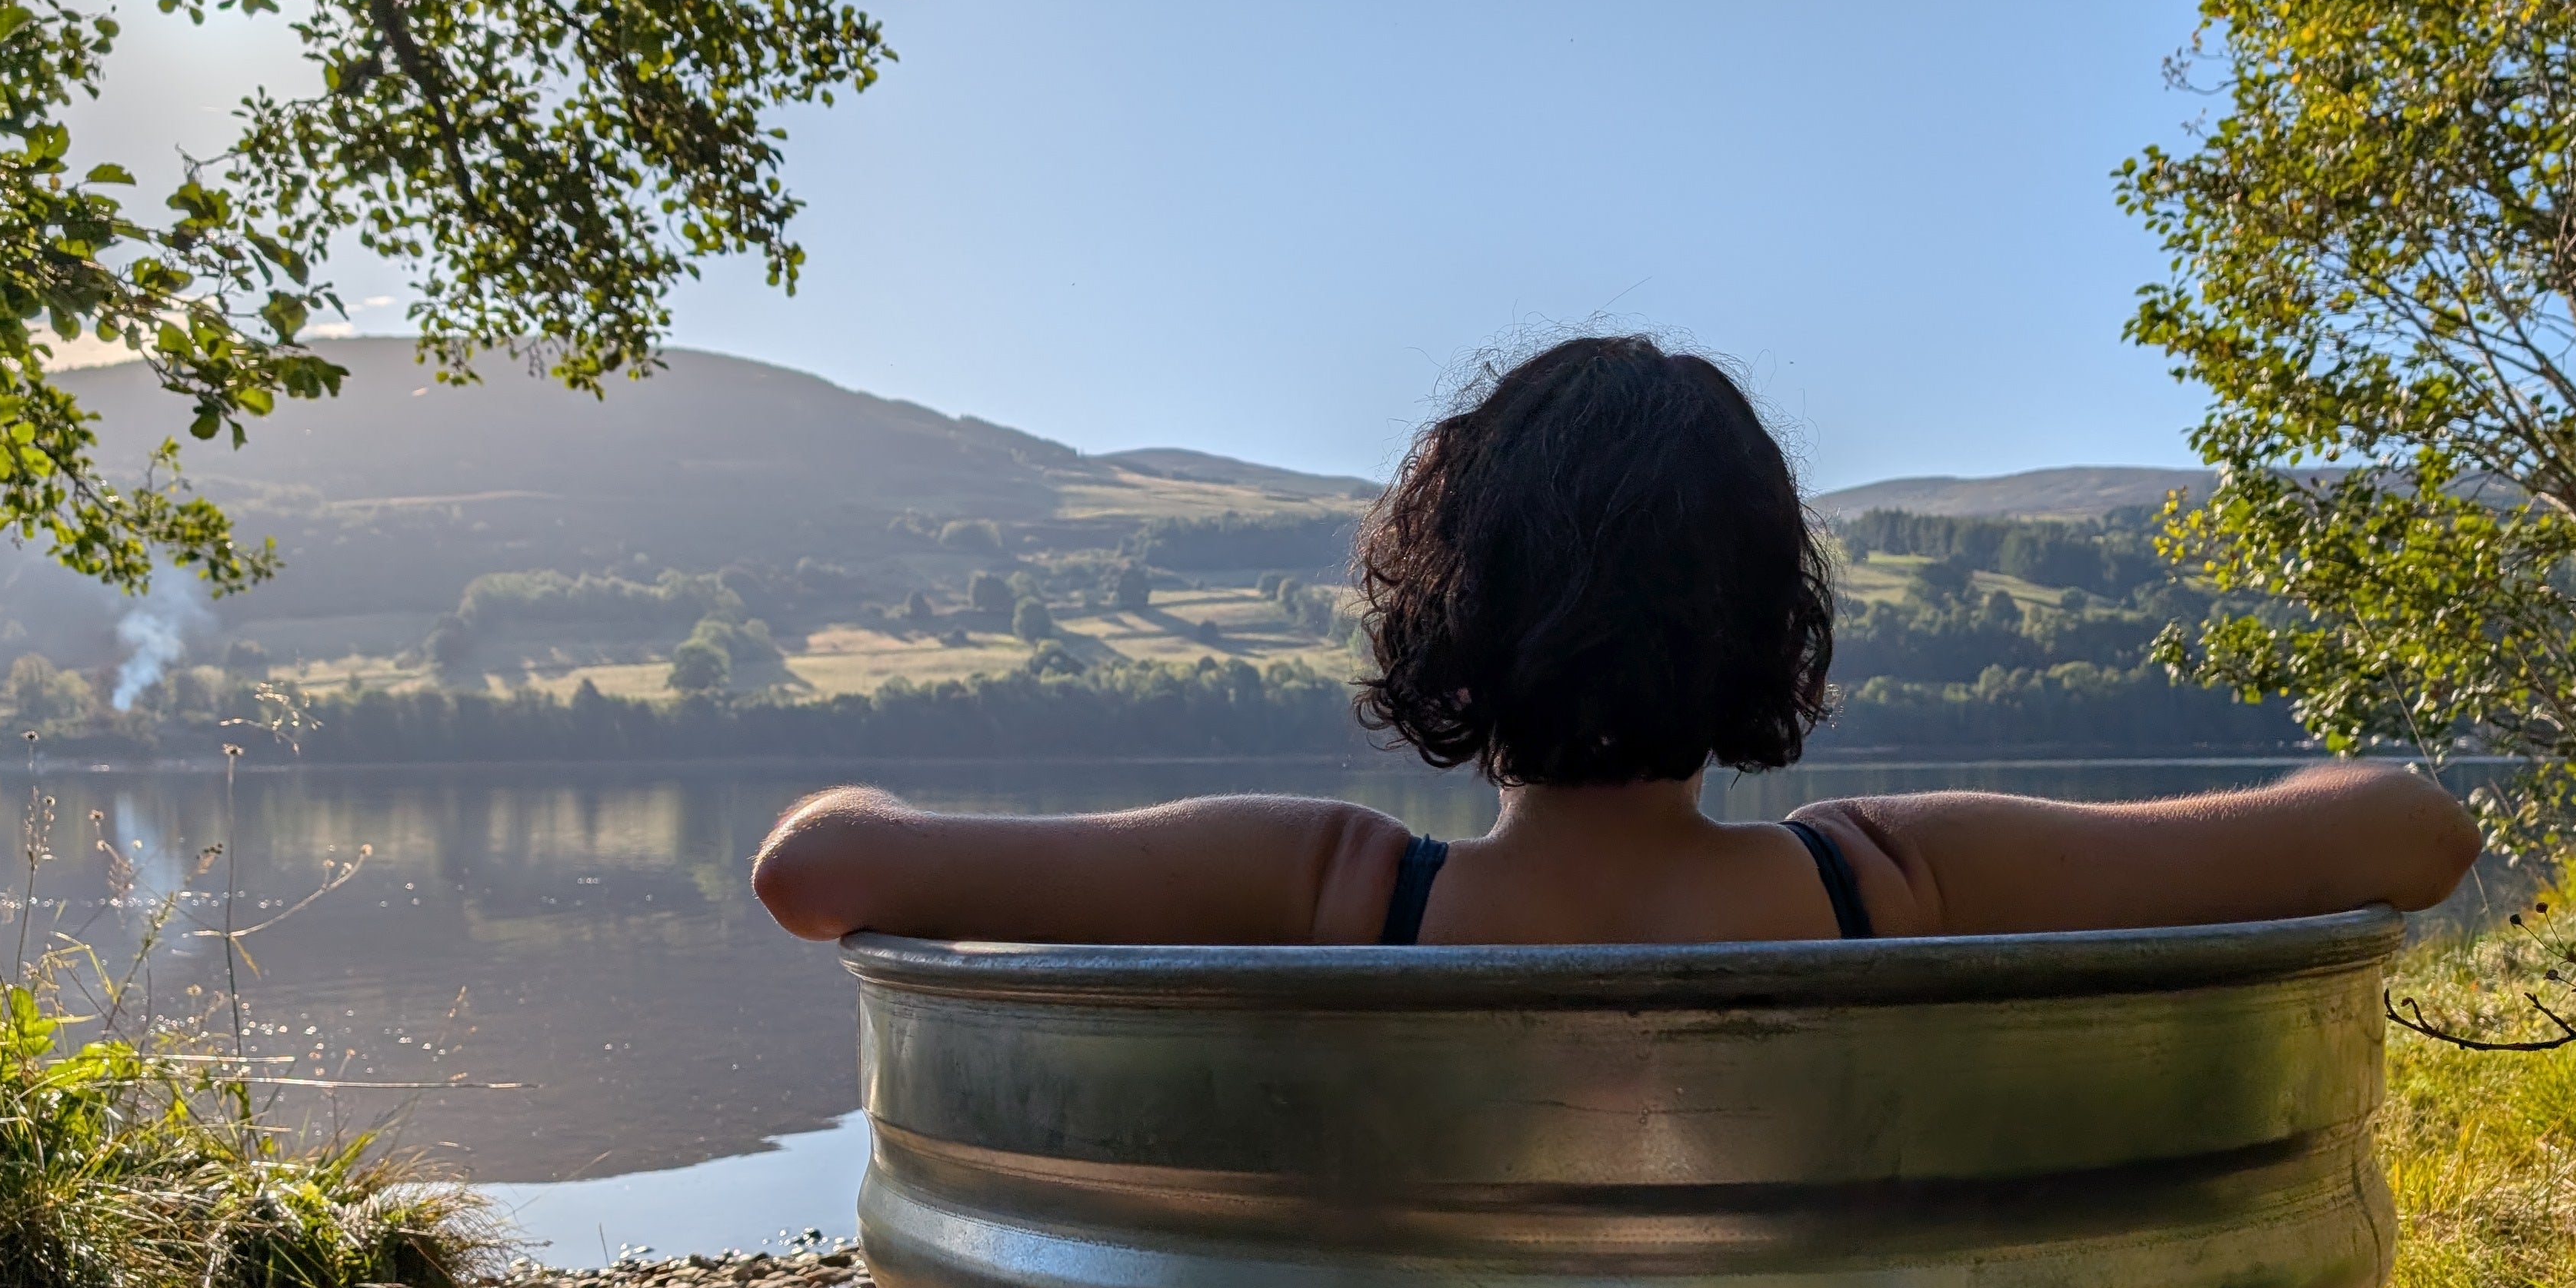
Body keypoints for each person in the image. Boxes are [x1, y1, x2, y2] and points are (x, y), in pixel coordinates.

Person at [751, 336, 2480, 946]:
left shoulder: (1332, 893)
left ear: (1447, 625)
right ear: (1769, 633)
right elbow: (2414, 828)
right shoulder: (1900, 882)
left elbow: (816, 867)